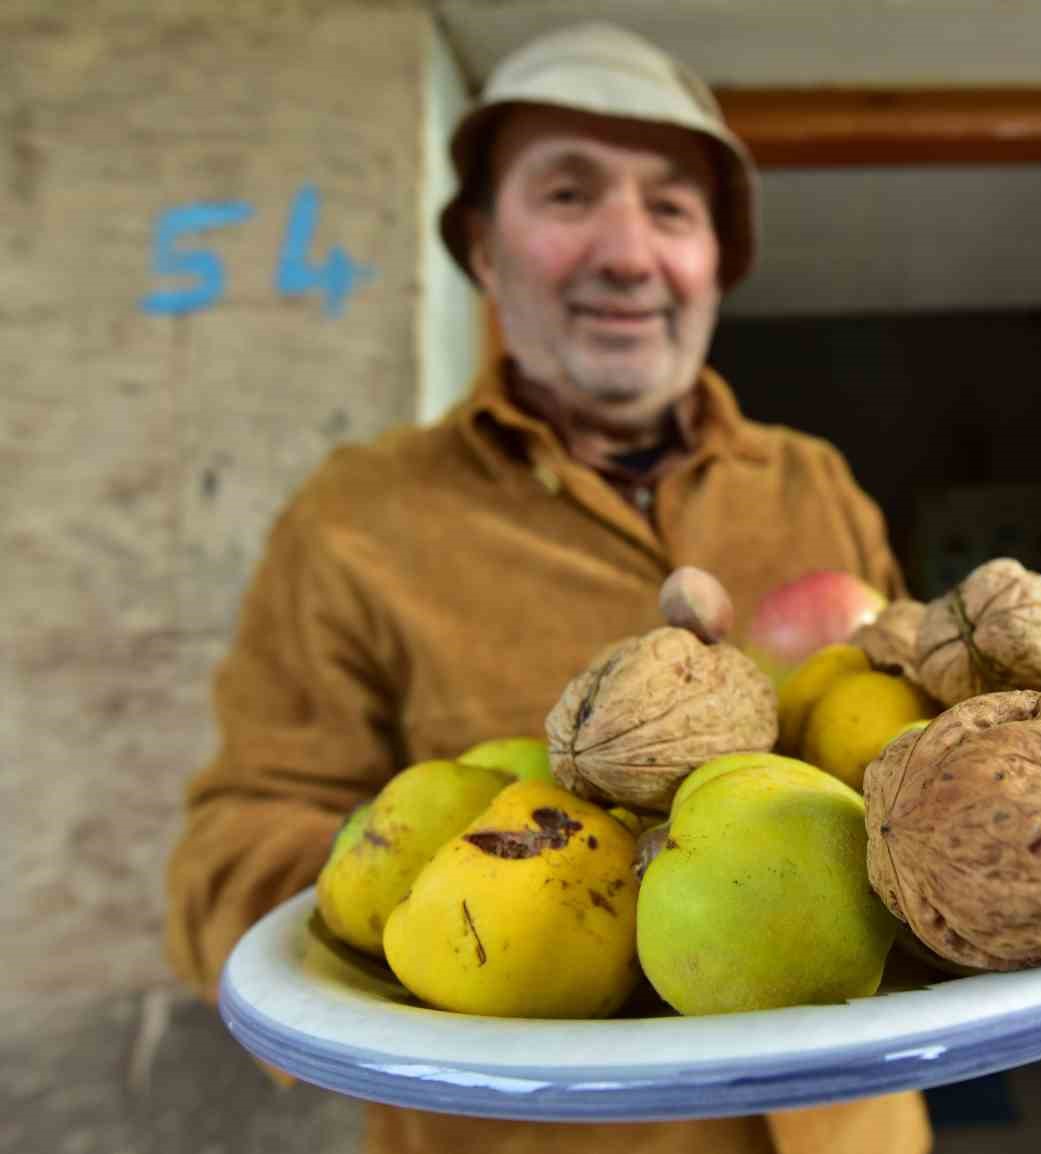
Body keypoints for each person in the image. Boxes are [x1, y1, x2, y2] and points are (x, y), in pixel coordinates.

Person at [163, 20, 932, 1154]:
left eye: (672, 210)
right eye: (569, 195)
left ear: (714, 257)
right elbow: (219, 864)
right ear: (481, 246)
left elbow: (909, 757)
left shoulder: (814, 481)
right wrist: (469, 878)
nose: (629, 252)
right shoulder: (356, 515)